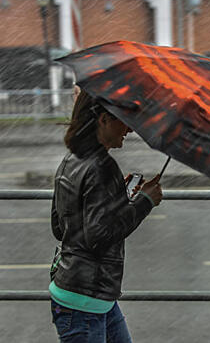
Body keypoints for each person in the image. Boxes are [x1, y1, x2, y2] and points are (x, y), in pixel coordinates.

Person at [49, 88, 163, 342]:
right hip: (86, 300)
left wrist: (113, 197)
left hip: (83, 293)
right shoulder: (102, 167)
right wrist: (144, 202)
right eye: (123, 120)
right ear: (103, 120)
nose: (130, 129)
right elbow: (99, 237)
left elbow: (60, 227)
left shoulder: (71, 160)